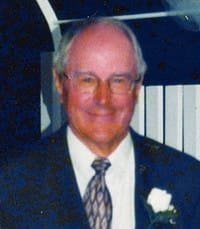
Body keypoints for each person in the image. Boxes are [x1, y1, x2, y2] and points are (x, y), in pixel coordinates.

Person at [0, 18, 200, 229]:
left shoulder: (189, 182)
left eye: (118, 80)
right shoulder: (11, 186)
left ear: (137, 86)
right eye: (87, 80)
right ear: (59, 83)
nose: (103, 99)